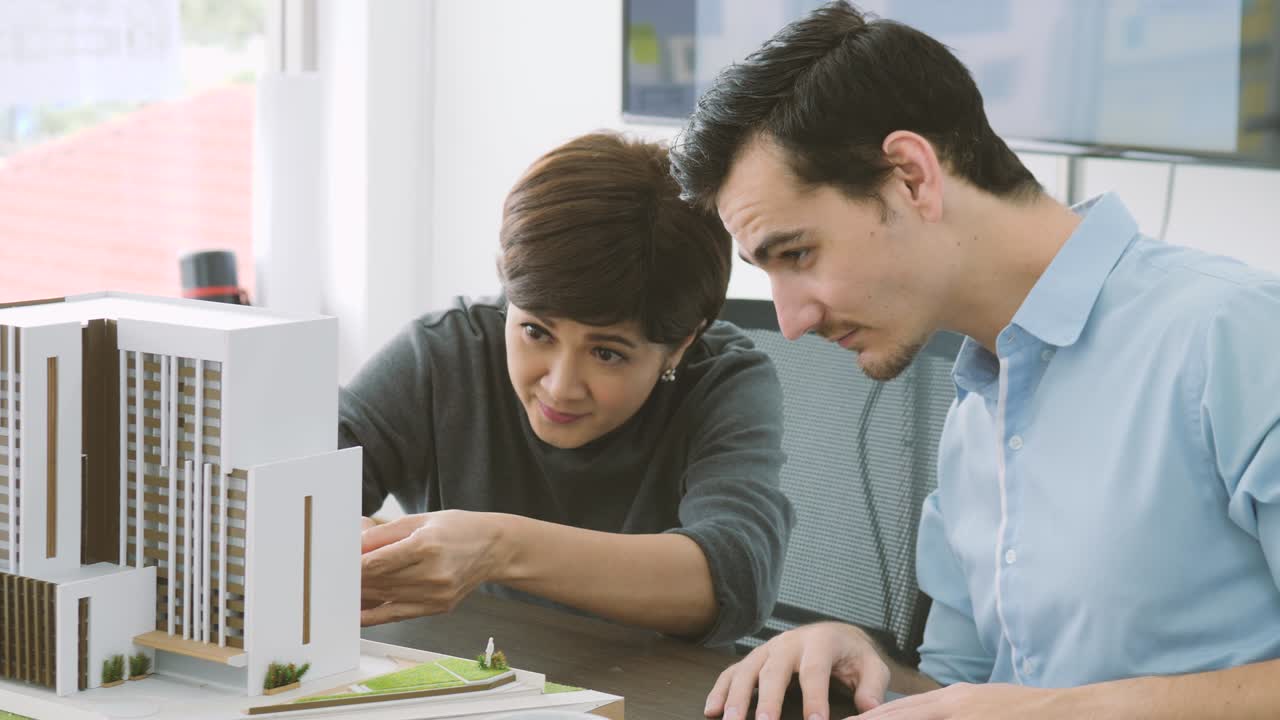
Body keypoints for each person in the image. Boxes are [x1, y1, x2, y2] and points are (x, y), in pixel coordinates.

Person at [668, 2, 1280, 718]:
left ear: (911, 175)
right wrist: (866, 668)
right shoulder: (972, 423)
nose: (791, 320)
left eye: (797, 254)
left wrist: (1062, 712)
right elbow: (971, 694)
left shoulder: (1233, 334)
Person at [339, 132, 794, 647]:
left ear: (680, 344)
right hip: (470, 683)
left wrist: (499, 547)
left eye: (607, 353)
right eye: (536, 332)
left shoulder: (724, 383)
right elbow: (286, 476)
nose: (559, 386)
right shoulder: (446, 352)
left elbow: (736, 579)